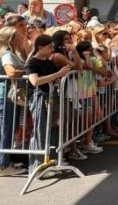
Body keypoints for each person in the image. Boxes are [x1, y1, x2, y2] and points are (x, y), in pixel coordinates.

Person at [26, 35, 73, 174]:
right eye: (50, 47)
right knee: (40, 131)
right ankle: (37, 166)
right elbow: (35, 81)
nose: (52, 49)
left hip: (52, 97)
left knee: (53, 129)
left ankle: (50, 161)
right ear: (40, 47)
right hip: (39, 98)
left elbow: (53, 77)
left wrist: (58, 78)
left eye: (53, 47)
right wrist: (57, 74)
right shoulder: (32, 62)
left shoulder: (48, 61)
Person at [0, 27, 27, 177]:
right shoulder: (6, 54)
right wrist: (27, 71)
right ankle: (3, 165)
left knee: (5, 131)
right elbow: (11, 72)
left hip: (6, 96)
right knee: (6, 131)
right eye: (18, 35)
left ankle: (1, 162)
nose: (21, 36)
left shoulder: (10, 52)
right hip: (6, 96)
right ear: (11, 39)